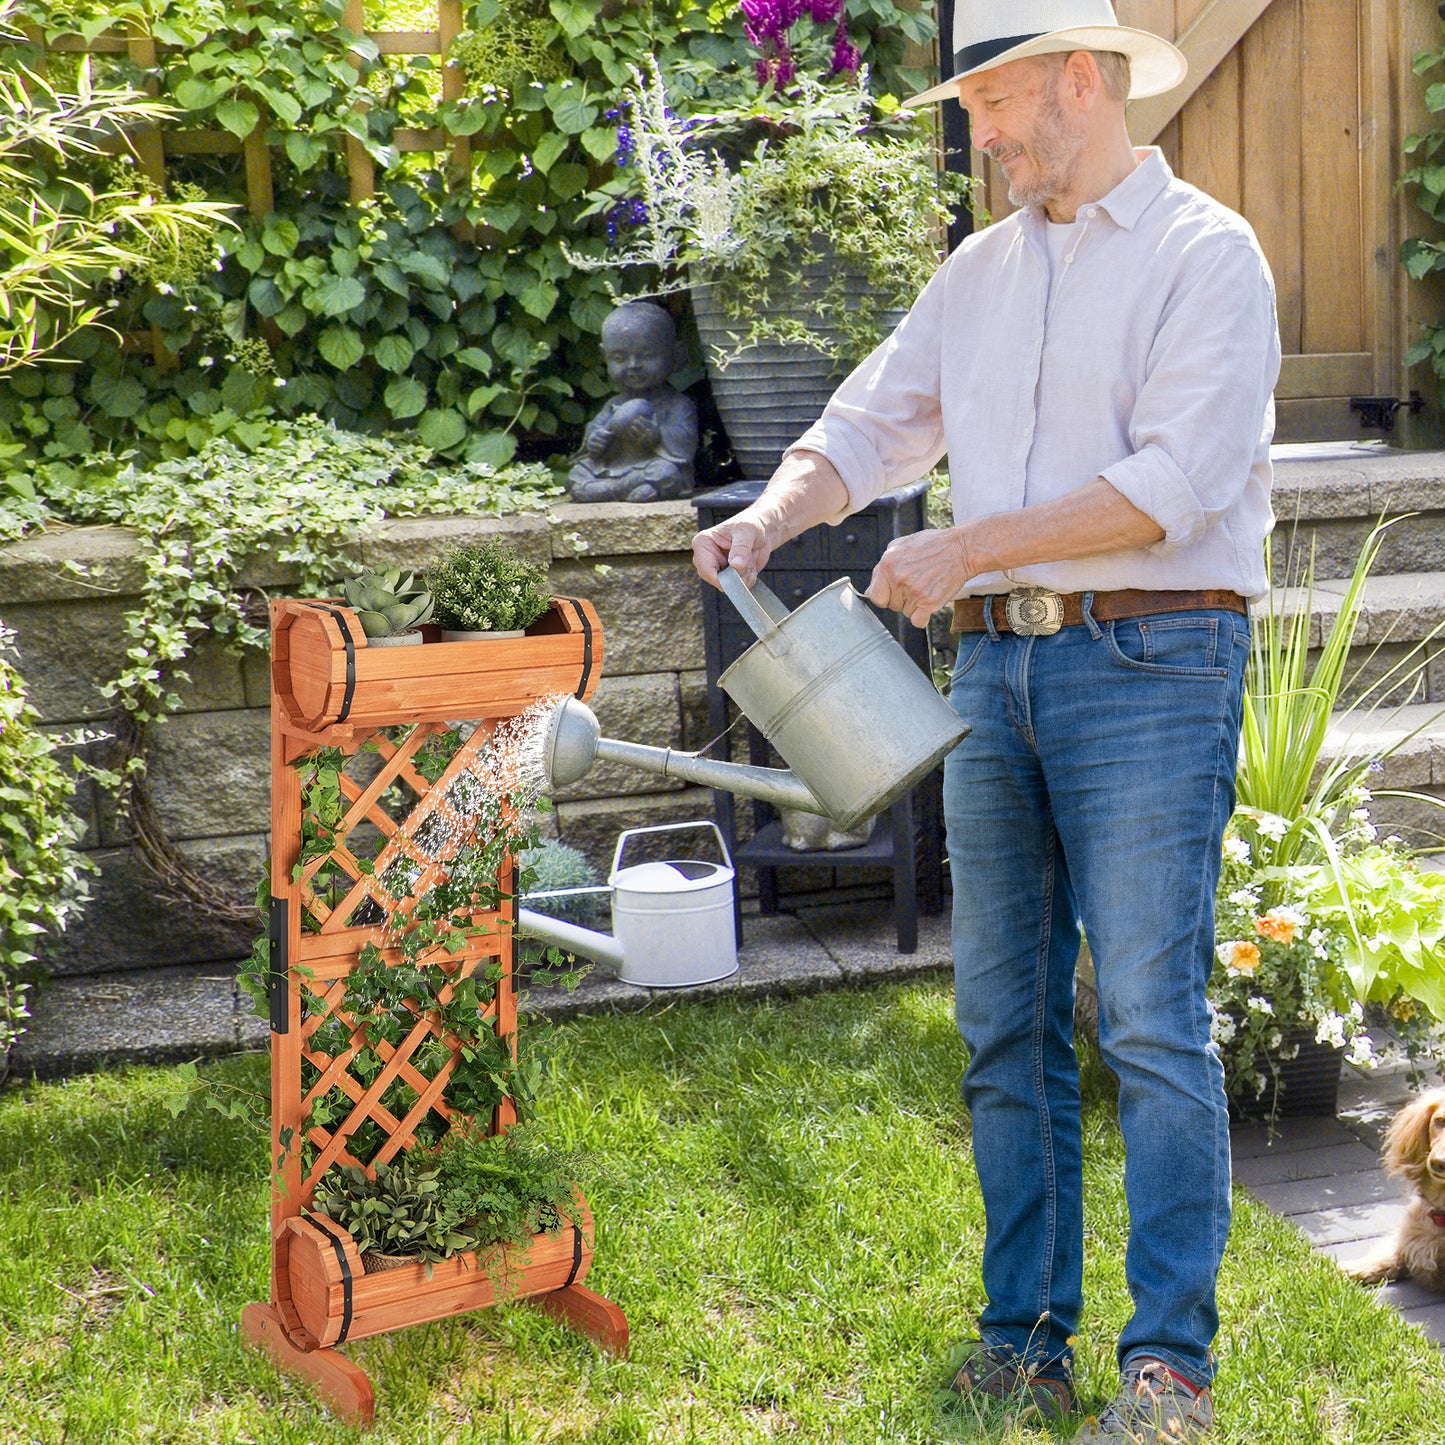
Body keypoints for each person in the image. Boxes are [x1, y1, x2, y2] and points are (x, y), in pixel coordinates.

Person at [690, 3, 1280, 1440]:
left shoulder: (1209, 256)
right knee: (999, 1021)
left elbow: (1172, 486)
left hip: (1151, 665)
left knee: (1147, 1020)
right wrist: (772, 515)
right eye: (970, 112)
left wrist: (968, 549)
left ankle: (1168, 1368)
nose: (982, 133)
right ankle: (1023, 1338)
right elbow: (876, 420)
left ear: (1080, 83)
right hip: (998, 677)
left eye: (994, 104)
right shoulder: (980, 270)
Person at [569, 300, 698, 502]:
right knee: (577, 474)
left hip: (651, 467)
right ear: (605, 356)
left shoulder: (677, 404)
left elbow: (685, 445)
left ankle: (609, 490)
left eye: (647, 356)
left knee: (668, 472)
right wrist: (595, 441)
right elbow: (595, 434)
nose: (633, 366)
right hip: (615, 467)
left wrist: (657, 436)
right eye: (619, 358)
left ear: (676, 355)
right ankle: (622, 488)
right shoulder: (613, 404)